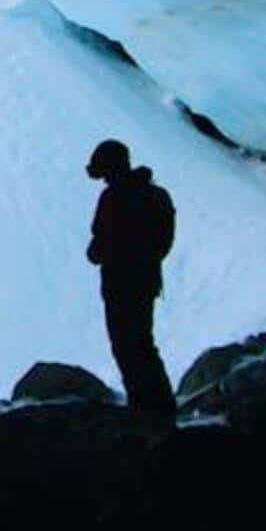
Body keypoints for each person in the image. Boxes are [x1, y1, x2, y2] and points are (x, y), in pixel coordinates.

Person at [84, 139, 177, 417]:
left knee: (126, 346)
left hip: (118, 284)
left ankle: (144, 406)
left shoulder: (112, 199)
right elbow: (164, 241)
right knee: (142, 344)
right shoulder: (156, 196)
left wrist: (105, 252)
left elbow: (98, 246)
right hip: (145, 281)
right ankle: (159, 406)